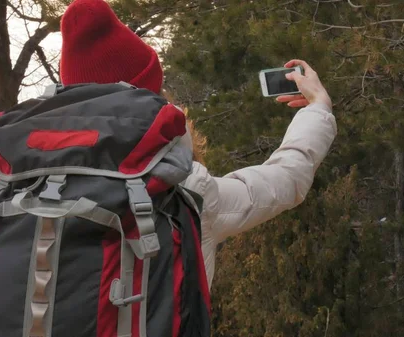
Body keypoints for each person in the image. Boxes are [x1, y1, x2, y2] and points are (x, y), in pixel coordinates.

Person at [56, 0, 337, 288]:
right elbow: (286, 180)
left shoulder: (18, 189)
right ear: (152, 99)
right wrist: (318, 108)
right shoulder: (187, 194)